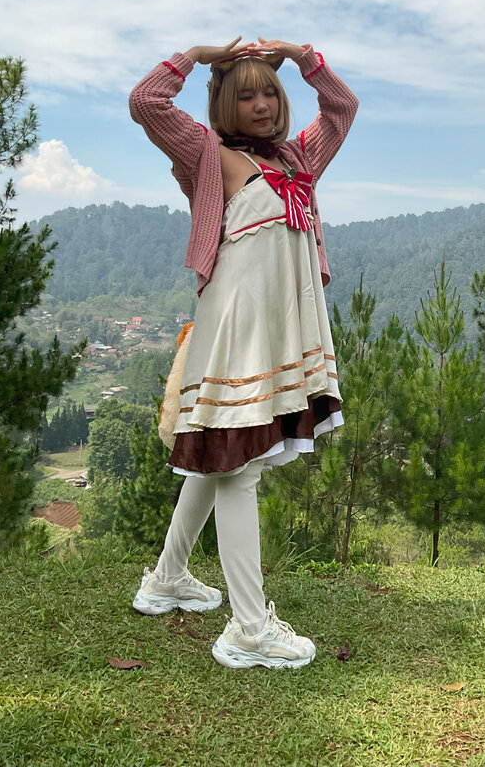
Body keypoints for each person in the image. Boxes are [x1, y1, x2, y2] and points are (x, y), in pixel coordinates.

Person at [127, 34, 358, 669]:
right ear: (225, 103)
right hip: (236, 330)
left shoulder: (297, 157)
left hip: (279, 331)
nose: (261, 105)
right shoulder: (208, 153)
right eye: (247, 95)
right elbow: (146, 102)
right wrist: (196, 56)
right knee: (239, 465)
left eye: (270, 93)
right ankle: (250, 628)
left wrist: (302, 57)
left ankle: (167, 580)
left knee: (221, 460)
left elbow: (342, 108)